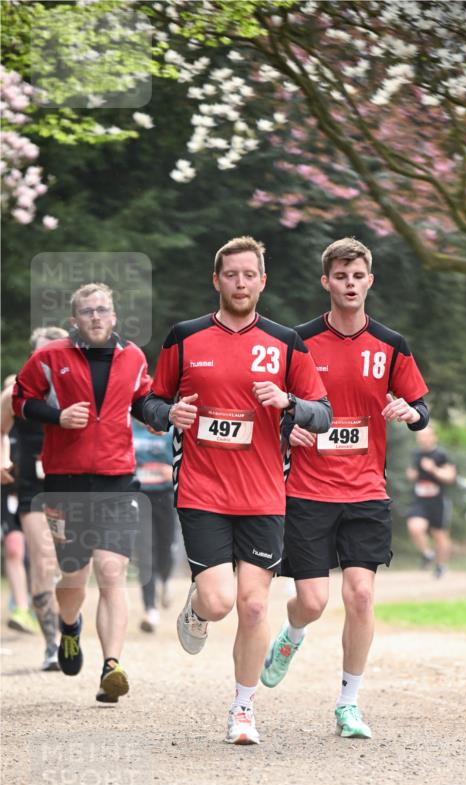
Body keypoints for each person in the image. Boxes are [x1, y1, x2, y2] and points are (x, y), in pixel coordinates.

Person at [142, 236, 331, 746]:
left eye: (250, 275)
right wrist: (169, 414)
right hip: (202, 491)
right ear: (217, 280)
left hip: (265, 495)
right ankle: (198, 608)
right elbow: (151, 402)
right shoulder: (184, 337)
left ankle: (243, 709)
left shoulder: (287, 343)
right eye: (232, 275)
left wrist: (289, 400)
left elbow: (323, 411)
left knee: (253, 607)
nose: (241, 283)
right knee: (222, 601)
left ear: (262, 281)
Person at [261, 236, 429, 739]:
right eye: (341, 276)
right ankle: (291, 636)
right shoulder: (297, 342)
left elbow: (422, 408)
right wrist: (289, 427)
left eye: (358, 276)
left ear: (369, 281)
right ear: (326, 282)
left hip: (366, 491)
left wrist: (409, 411)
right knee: (312, 602)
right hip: (309, 490)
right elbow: (272, 406)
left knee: (359, 595)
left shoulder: (391, 345)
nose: (350, 285)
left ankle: (348, 703)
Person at [12, 284, 152, 703]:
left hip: (116, 480)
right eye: (87, 311)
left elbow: (142, 400)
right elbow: (21, 401)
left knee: (111, 573)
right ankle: (70, 627)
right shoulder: (50, 358)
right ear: (75, 320)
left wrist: (163, 414)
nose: (95, 317)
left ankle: (112, 667)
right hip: (65, 483)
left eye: (102, 310)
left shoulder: (133, 357)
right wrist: (57, 416)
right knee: (74, 574)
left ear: (114, 317)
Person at [1, 328, 69, 669]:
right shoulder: (17, 388)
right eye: (41, 354)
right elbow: (0, 427)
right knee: (43, 560)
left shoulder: (77, 384)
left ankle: (68, 624)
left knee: (68, 567)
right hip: (33, 487)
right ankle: (52, 645)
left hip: (73, 484)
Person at [132, 418, 176, 632]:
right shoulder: (127, 427)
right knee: (145, 552)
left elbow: (187, 457)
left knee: (165, 548)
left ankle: (165, 579)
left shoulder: (171, 427)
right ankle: (150, 609)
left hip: (165, 496)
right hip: (139, 496)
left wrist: (174, 470)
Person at [1, 387, 35, 636]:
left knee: (42, 555)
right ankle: (21, 609)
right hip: (7, 497)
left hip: (37, 494)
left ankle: (42, 601)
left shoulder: (35, 423)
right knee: (14, 549)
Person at [405, 425, 456, 578]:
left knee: (439, 535)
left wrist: (433, 469)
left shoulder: (441, 455)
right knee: (414, 528)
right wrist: (411, 475)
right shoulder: (415, 454)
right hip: (420, 500)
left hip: (438, 501)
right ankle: (428, 554)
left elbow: (450, 477)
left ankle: (441, 565)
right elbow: (413, 474)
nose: (423, 439)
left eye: (426, 436)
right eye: (420, 436)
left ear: (434, 437)